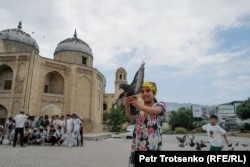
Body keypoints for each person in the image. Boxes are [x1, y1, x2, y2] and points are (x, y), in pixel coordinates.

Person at [124, 81, 167, 167]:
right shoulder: (140, 109)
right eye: (142, 91)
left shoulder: (160, 105)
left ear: (154, 93)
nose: (145, 93)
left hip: (152, 147)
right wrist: (127, 104)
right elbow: (131, 117)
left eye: (148, 91)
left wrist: (138, 105)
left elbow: (155, 111)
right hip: (137, 146)